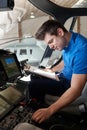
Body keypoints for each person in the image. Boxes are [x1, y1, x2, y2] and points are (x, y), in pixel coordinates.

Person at [28, 19, 87, 124]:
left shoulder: (82, 50)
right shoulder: (70, 40)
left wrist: (50, 110)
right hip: (62, 77)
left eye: (51, 41)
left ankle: (41, 114)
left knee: (33, 85)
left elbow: (76, 89)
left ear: (60, 32)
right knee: (35, 75)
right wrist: (51, 70)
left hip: (68, 84)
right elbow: (66, 61)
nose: (50, 46)